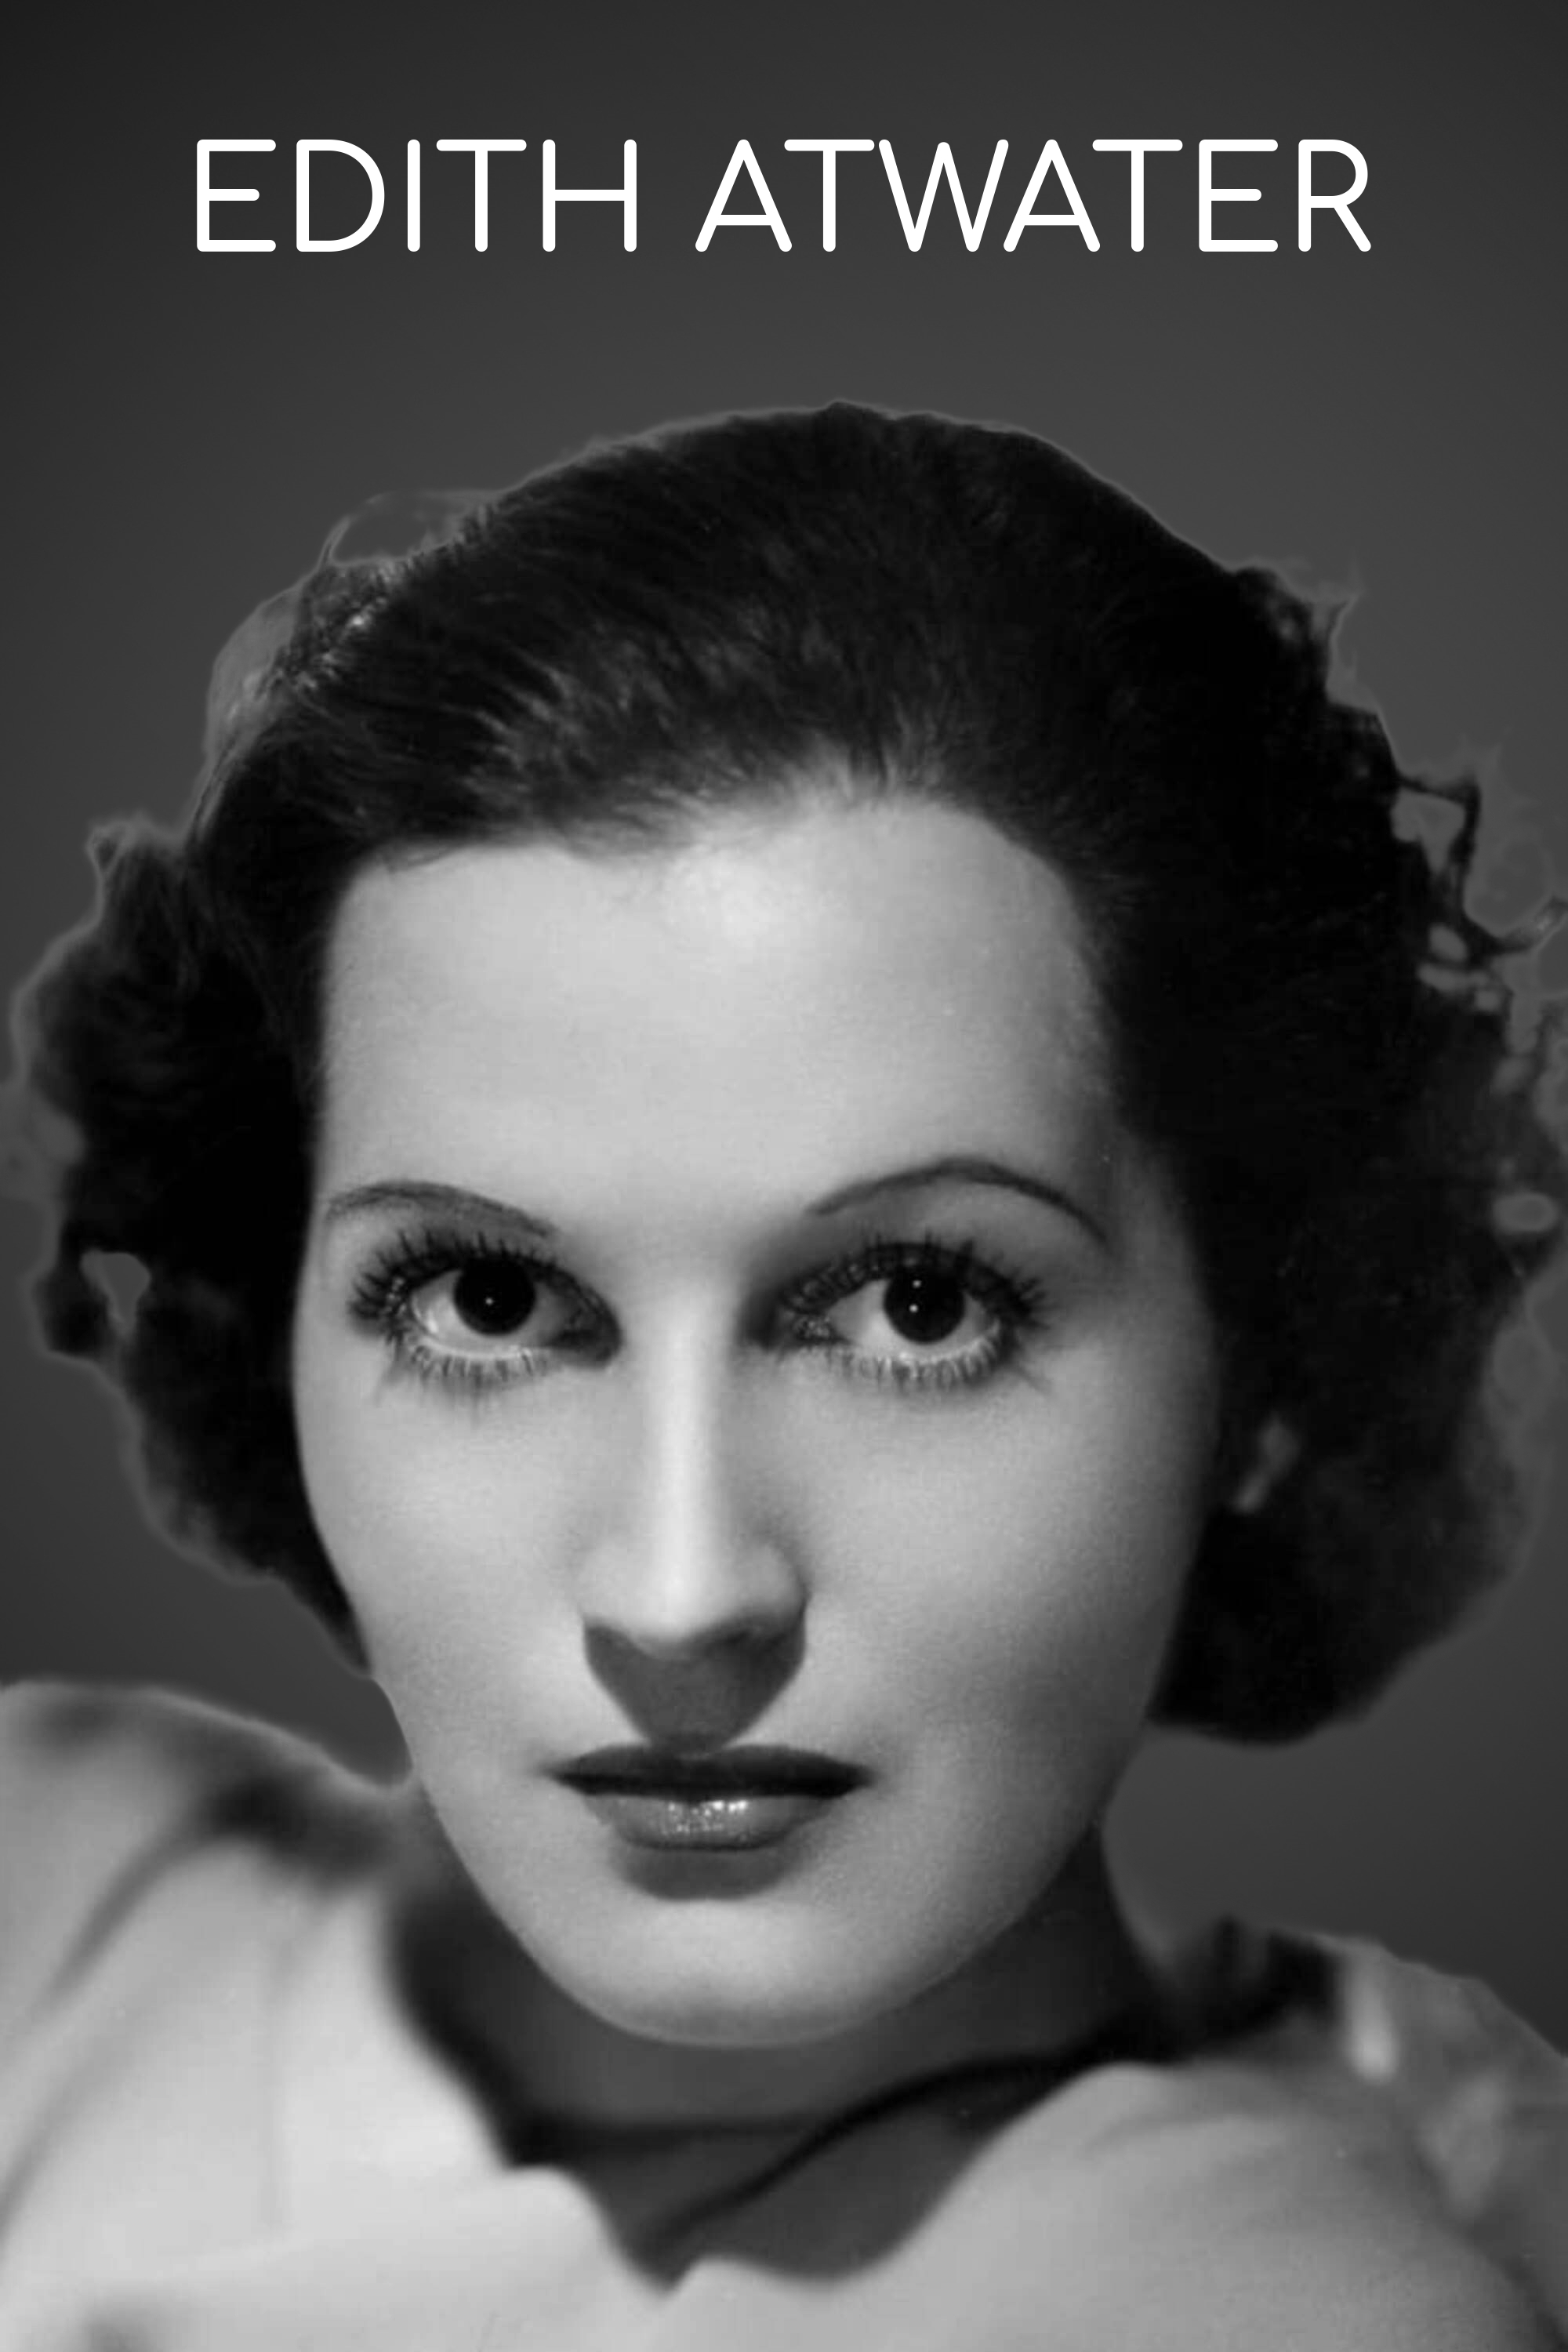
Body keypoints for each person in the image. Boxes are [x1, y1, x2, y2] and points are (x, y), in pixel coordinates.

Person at [2, 404, 1564, 2349]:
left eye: (916, 1307)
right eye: (486, 1299)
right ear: (274, 1310)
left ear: (1264, 1361)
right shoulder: (58, 1870)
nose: (681, 1595)